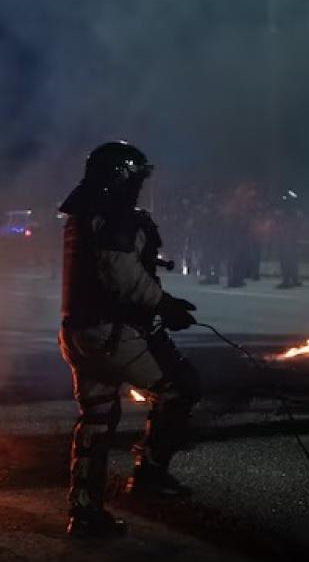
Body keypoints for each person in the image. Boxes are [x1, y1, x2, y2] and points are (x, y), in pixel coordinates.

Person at [58, 140, 202, 538]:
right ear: (121, 176)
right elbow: (120, 276)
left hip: (78, 333)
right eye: (136, 177)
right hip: (113, 333)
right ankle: (151, 473)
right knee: (181, 387)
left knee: (97, 420)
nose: (139, 185)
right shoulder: (118, 217)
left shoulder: (83, 215)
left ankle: (84, 512)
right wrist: (164, 305)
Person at [276, 189, 302, 288]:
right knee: (291, 260)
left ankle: (288, 279)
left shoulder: (288, 213)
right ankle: (291, 279)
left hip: (288, 239)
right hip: (289, 239)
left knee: (288, 260)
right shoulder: (292, 213)